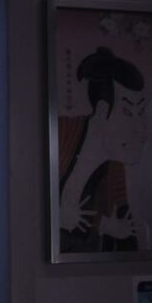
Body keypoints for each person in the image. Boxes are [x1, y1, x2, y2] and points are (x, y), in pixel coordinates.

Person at [59, 47, 146, 252]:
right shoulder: (62, 133)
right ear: (101, 110)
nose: (139, 129)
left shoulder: (115, 165)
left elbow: (125, 234)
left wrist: (106, 226)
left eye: (141, 112)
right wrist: (55, 216)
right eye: (127, 112)